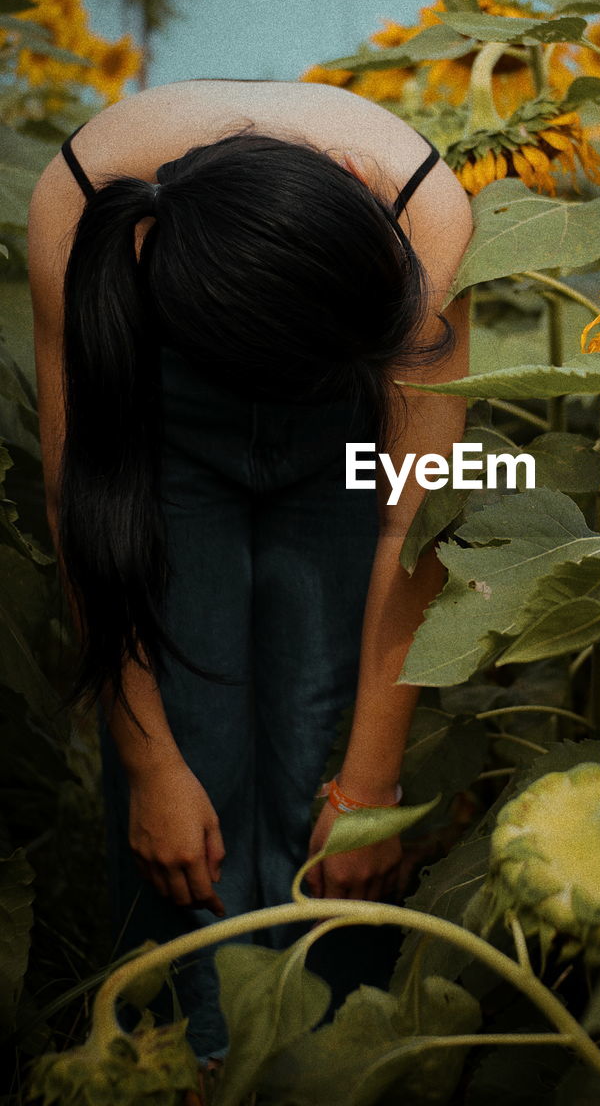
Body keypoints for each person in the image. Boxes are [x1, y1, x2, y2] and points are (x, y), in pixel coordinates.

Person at [27, 78, 473, 1059]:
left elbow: (417, 517)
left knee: (327, 741)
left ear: (359, 191)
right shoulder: (81, 212)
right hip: (171, 423)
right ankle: (174, 1058)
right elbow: (84, 503)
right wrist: (148, 763)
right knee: (188, 748)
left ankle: (334, 1056)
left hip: (345, 428)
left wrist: (371, 789)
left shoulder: (425, 214)